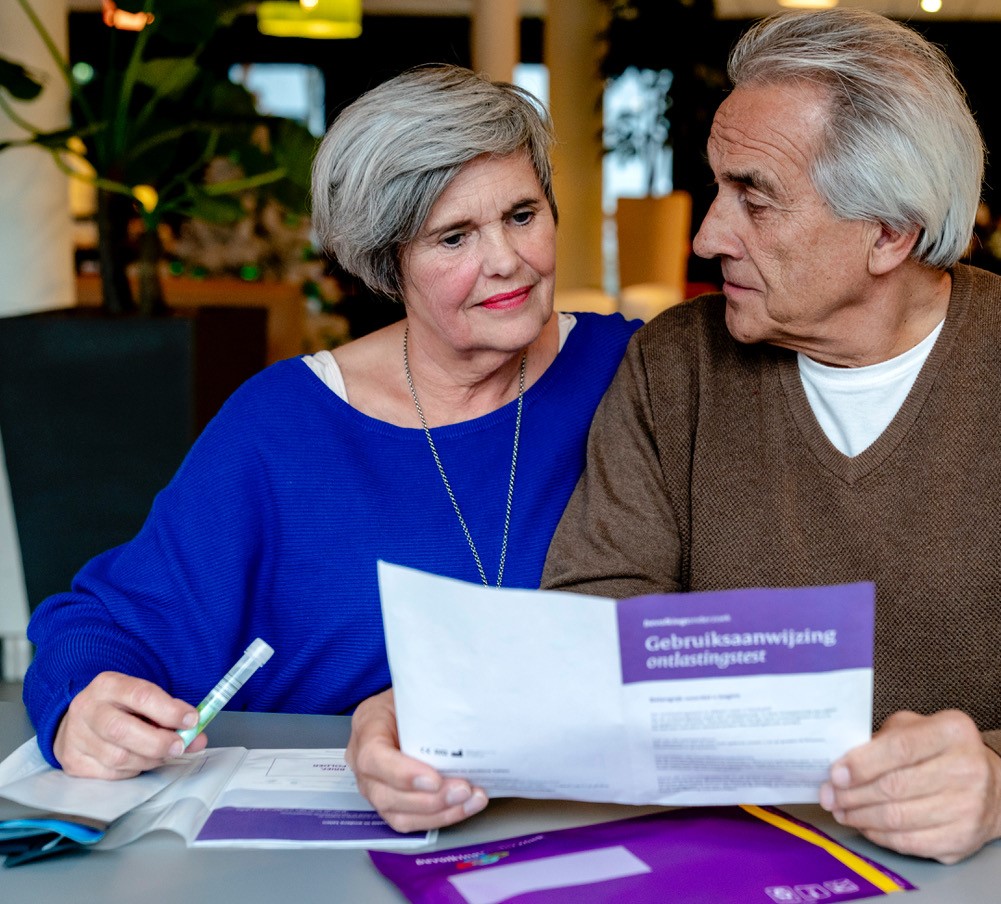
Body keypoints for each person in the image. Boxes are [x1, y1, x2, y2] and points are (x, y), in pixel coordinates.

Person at [538, 9, 1001, 864]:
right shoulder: (675, 364)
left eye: (754, 199)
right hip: (731, 853)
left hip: (996, 869)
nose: (708, 235)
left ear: (888, 233)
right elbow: (588, 630)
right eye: (717, 188)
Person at [22, 64, 640, 830]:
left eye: (522, 214)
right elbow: (107, 625)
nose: (506, 260)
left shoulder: (637, 373)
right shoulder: (283, 424)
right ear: (388, 262)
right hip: (325, 832)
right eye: (454, 237)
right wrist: (84, 704)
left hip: (574, 821)